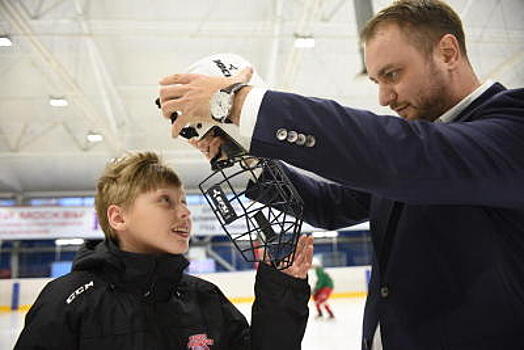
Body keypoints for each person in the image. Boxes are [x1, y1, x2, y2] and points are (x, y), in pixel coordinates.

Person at [157, 0, 524, 348]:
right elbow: (329, 205)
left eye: (392, 74)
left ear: (447, 52)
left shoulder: (512, 128)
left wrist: (238, 103)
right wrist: (240, 157)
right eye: (377, 81)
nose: (384, 97)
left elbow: (407, 156)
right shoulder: (412, 161)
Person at [14, 151, 314, 350]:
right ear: (119, 217)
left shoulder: (204, 297)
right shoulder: (68, 301)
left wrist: (280, 293)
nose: (184, 212)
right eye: (165, 201)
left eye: (183, 201)